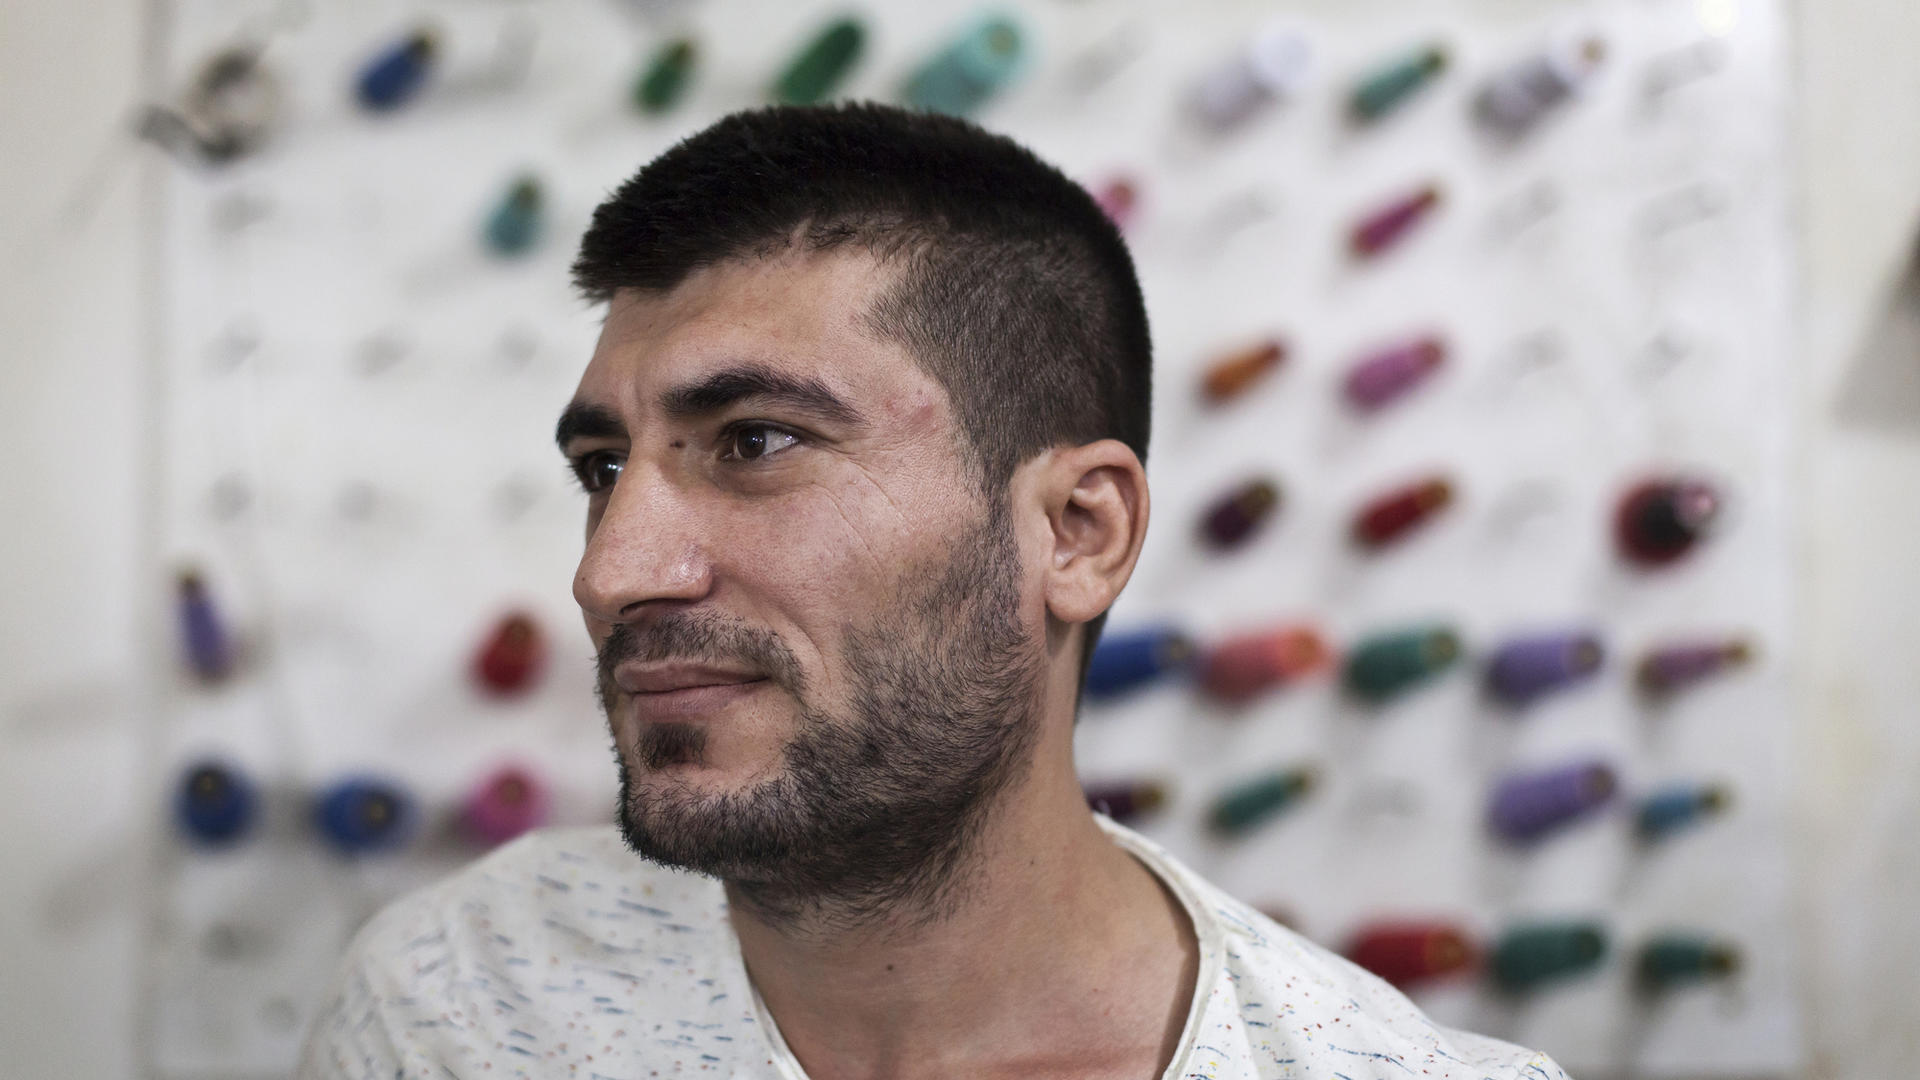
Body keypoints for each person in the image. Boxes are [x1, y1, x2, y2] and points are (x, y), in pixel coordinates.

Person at [298, 103, 1567, 1080]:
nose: (610, 574)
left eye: (754, 440)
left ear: (1077, 532)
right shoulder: (461, 1001)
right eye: (602, 467)